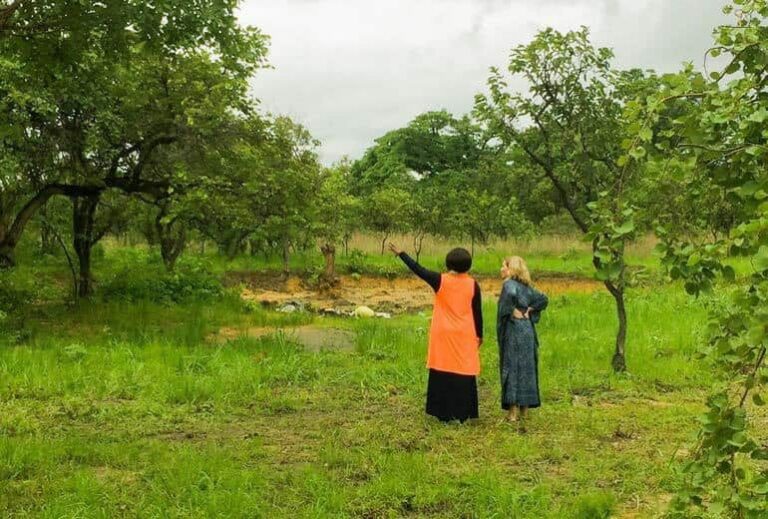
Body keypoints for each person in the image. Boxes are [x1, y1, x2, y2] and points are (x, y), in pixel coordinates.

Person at [388, 243, 483, 423]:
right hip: (464, 332)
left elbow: (419, 270)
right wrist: (479, 335)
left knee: (442, 369)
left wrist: (402, 254)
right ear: (468, 265)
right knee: (463, 372)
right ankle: (463, 413)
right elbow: (477, 312)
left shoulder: (440, 280)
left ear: (448, 264)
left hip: (444, 333)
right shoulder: (473, 285)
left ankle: (443, 413)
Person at [496, 256, 548, 426]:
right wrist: (530, 310)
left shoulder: (508, 284)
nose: (501, 269)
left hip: (513, 329)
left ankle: (512, 413)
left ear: (511, 269)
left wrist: (511, 310)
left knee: (512, 366)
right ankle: (524, 411)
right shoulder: (526, 287)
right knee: (527, 367)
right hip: (527, 330)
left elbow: (509, 296)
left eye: (504, 266)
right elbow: (543, 299)